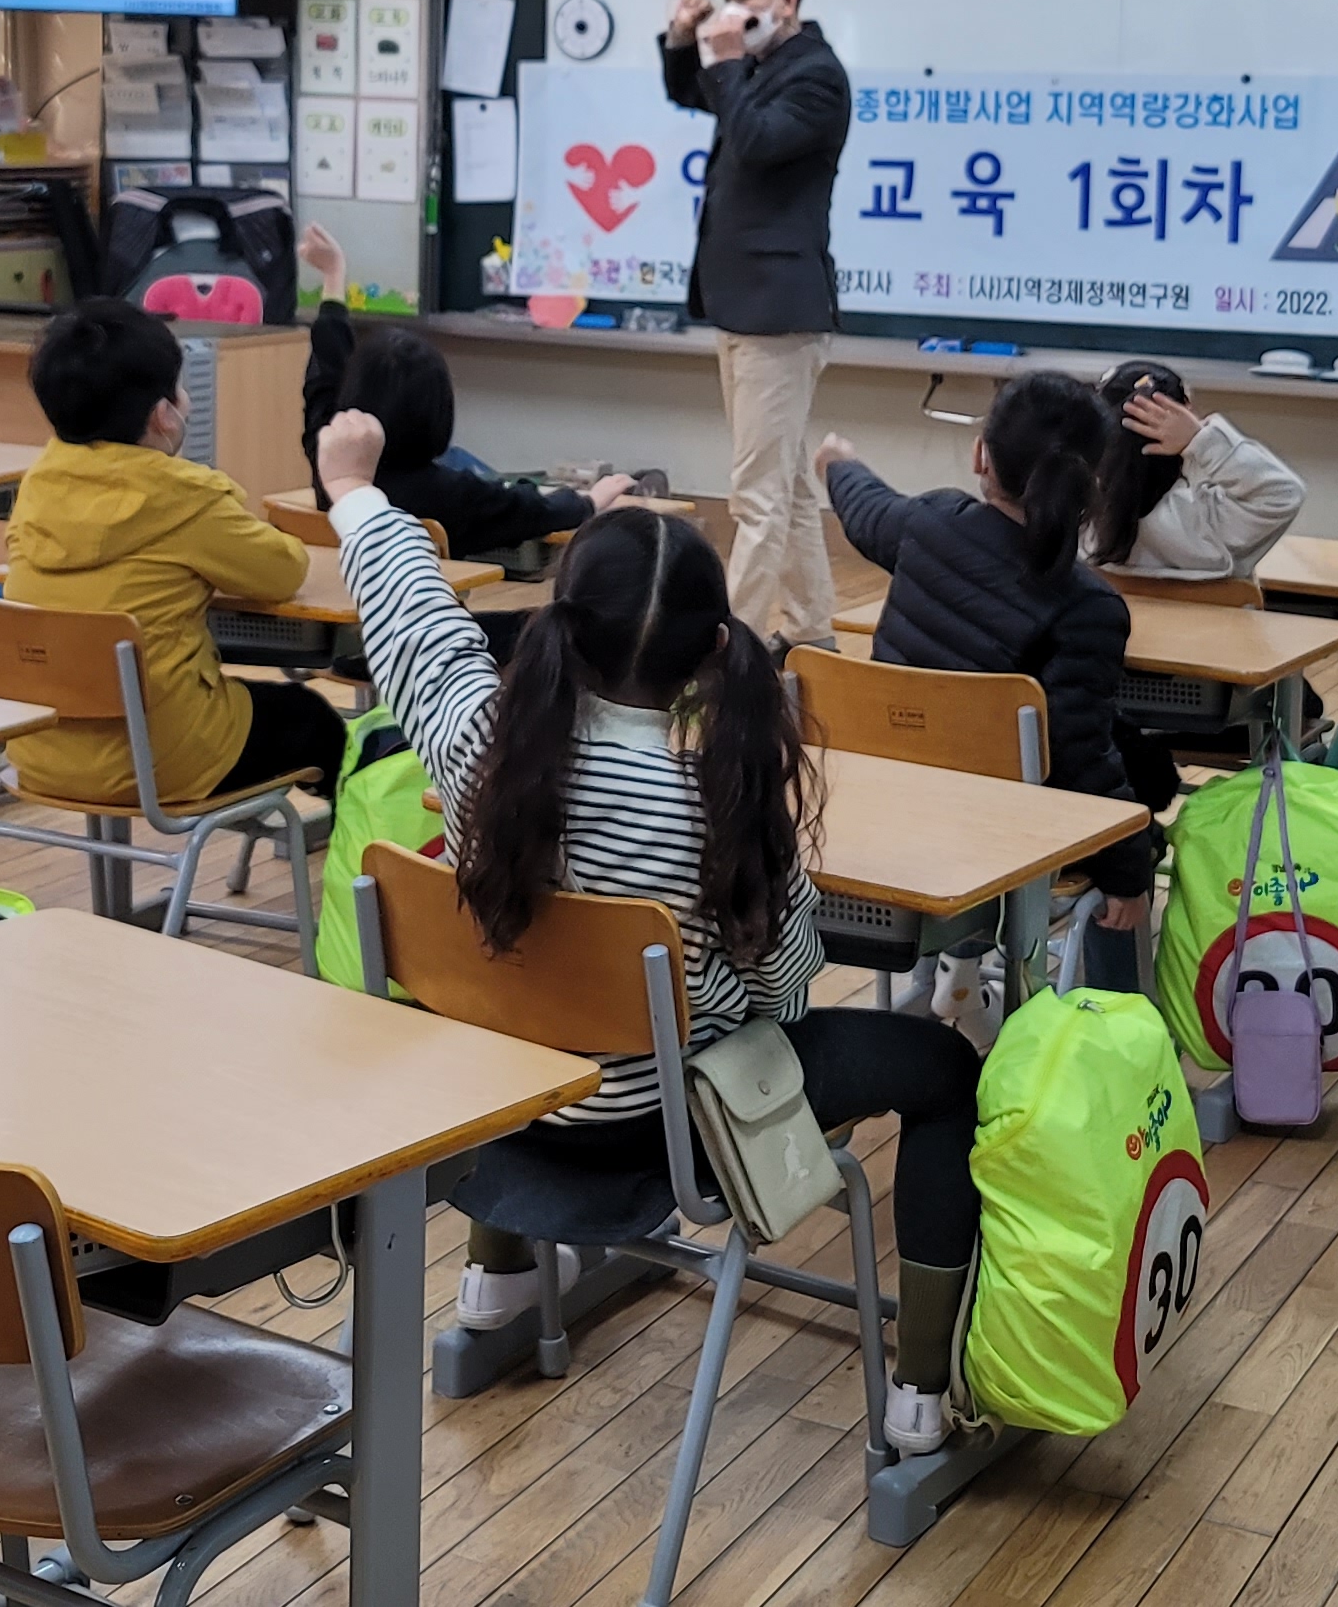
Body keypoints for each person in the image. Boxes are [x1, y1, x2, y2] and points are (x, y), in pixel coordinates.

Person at [321, 410, 980, 1454]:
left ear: (561, 621)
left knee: (520, 985)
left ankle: (497, 1282)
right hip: (661, 1143)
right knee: (943, 1066)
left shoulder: (480, 746)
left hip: (496, 1121)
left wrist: (355, 491)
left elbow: (417, 620)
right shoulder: (720, 801)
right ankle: (922, 1399)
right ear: (715, 650)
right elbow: (781, 997)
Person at [820, 374, 1163, 994]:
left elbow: (865, 508)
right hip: (998, 842)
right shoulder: (1088, 605)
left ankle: (955, 977)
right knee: (1142, 826)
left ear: (982, 454)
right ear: (1094, 481)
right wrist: (1128, 874)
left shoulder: (928, 522)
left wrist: (838, 464)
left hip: (883, 814)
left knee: (1139, 771)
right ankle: (1115, 1024)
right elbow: (1080, 757)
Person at [0, 297, 344, 805]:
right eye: (180, 389)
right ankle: (351, 850)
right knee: (313, 720)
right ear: (163, 416)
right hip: (162, 760)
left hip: (40, 751)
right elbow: (283, 572)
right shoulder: (182, 496)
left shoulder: (37, 485)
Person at [661, 0, 848, 649]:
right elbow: (692, 93)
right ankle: (812, 632)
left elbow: (756, 139)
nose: (732, 10)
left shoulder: (816, 75)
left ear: (787, 0)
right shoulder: (761, 66)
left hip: (780, 307)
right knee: (787, 485)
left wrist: (726, 61)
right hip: (742, 301)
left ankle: (729, 649)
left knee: (756, 496)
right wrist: (685, 43)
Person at [296, 222, 630, 558]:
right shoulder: (453, 494)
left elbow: (325, 375)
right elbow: (534, 512)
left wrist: (333, 276)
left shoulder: (329, 457)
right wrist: (589, 501)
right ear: (437, 410)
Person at [1090, 359, 1305, 581]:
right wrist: (1200, 439)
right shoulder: (1204, 521)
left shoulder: (1080, 521)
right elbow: (1284, 493)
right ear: (1187, 411)